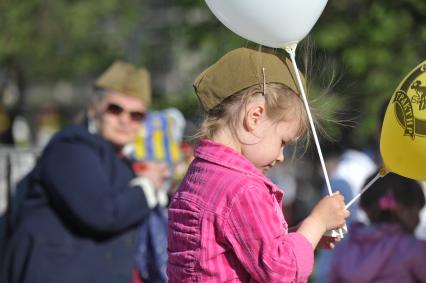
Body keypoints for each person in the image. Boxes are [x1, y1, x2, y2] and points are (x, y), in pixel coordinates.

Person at [167, 47, 350, 283]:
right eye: (283, 141)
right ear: (255, 117)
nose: (282, 156)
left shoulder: (201, 172)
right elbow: (280, 271)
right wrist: (317, 222)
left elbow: (242, 248)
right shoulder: (244, 189)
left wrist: (303, 235)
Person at [0, 61, 170, 283]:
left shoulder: (121, 159)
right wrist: (147, 185)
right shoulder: (72, 147)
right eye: (115, 109)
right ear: (93, 108)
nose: (125, 120)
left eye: (136, 115)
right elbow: (103, 214)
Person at [330, 172, 426, 283]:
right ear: (404, 209)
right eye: (418, 211)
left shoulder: (346, 244)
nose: (419, 219)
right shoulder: (413, 247)